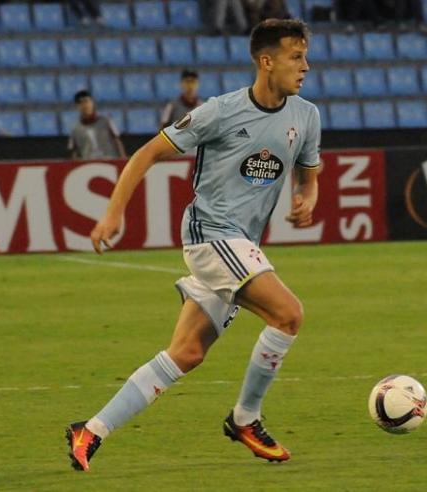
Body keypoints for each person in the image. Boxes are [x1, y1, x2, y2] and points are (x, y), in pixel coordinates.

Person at [66, 18, 320, 471]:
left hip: (242, 244)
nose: (305, 66)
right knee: (289, 314)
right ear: (266, 62)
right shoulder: (219, 112)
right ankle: (245, 418)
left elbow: (308, 174)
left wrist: (307, 198)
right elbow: (146, 153)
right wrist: (112, 212)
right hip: (210, 235)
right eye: (295, 57)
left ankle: (91, 430)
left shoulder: (306, 115)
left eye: (305, 56)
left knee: (185, 353)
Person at [68, 90, 126, 160]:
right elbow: (74, 151)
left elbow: (117, 141)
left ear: (92, 103)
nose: (85, 105)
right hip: (88, 164)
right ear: (77, 106)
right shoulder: (75, 129)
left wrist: (123, 160)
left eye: (87, 101)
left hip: (110, 160)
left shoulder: (106, 121)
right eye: (80, 103)